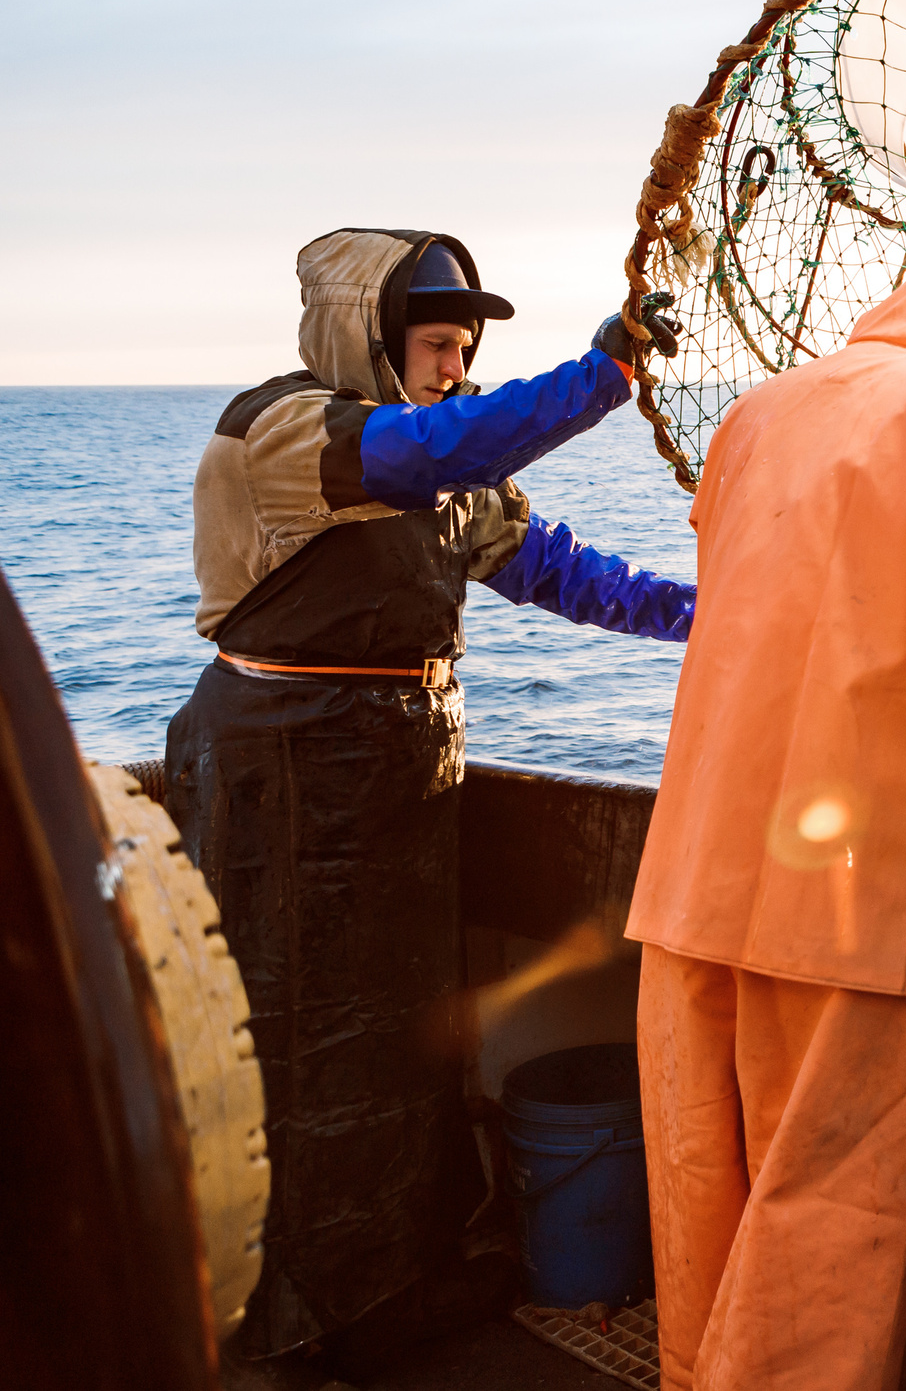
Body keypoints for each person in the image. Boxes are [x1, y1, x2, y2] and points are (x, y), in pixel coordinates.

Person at [165, 228, 696, 1363]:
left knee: (399, 1040)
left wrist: (712, 613)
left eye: (465, 350)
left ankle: (392, 1276)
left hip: (393, 781)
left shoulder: (439, 475)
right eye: (440, 346)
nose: (457, 370)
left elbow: (559, 570)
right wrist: (606, 371)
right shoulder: (284, 430)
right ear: (367, 339)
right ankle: (296, 1322)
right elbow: (441, 442)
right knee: (293, 1040)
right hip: (284, 779)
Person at [625, 239, 906, 1391]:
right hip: (850, 905)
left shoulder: (758, 413)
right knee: (819, 1229)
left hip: (688, 880)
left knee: (705, 1208)